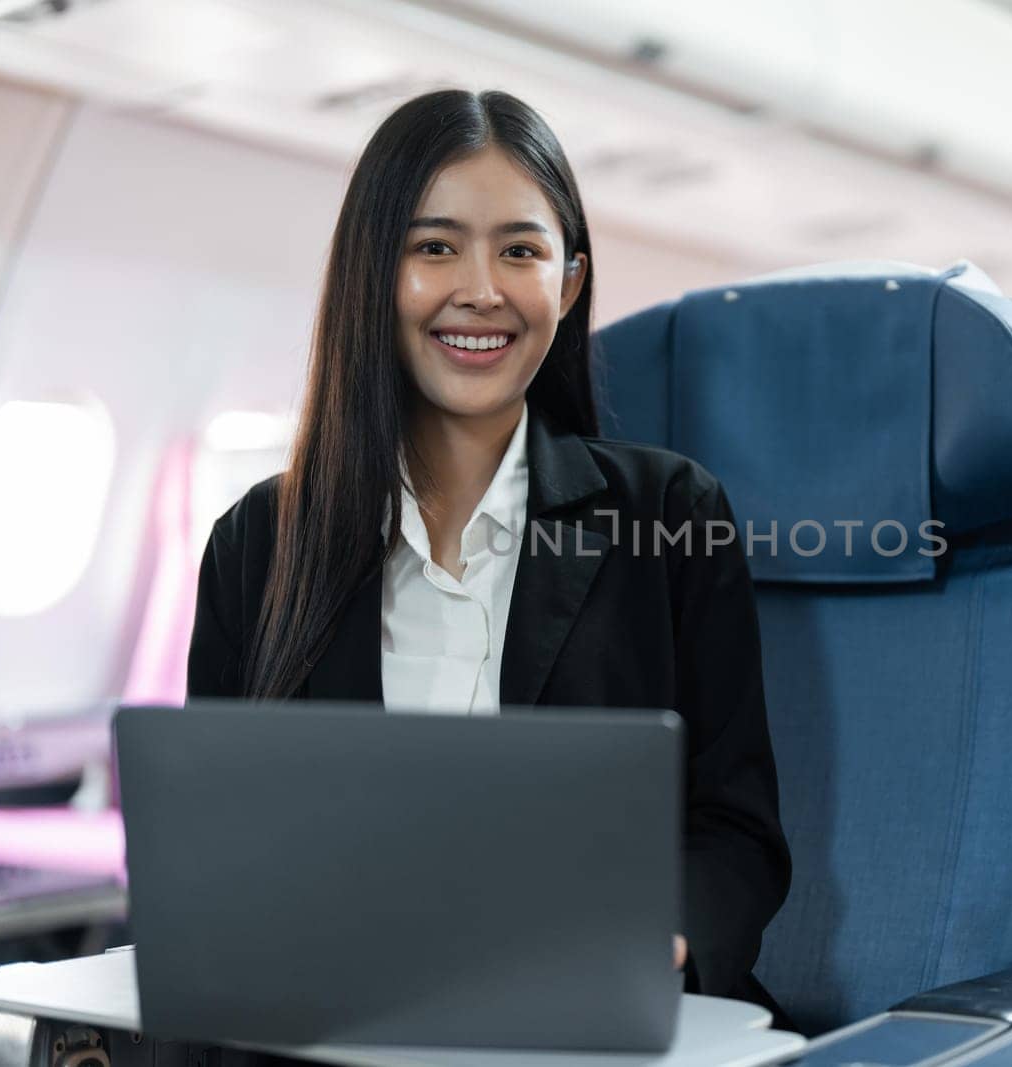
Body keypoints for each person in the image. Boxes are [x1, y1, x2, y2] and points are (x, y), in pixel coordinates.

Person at [185, 89, 791, 1015]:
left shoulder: (671, 515)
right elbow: (218, 845)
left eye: (520, 250)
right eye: (434, 248)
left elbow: (735, 830)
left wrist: (659, 934)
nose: (481, 289)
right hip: (346, 1020)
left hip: (604, 1020)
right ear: (372, 275)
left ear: (570, 284)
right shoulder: (260, 544)